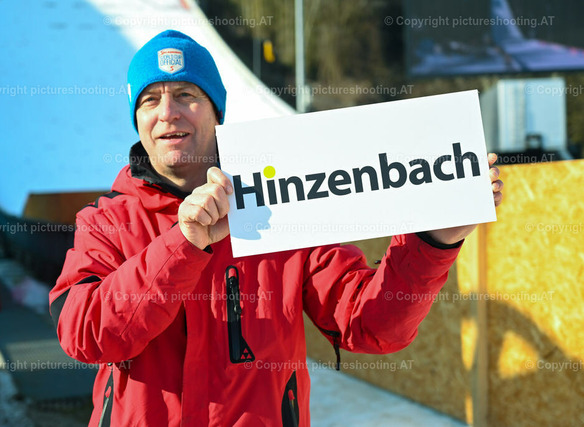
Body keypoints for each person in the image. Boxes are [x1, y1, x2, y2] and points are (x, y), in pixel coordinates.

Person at [49, 30, 504, 427]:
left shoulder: (281, 202)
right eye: (151, 99)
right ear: (137, 118)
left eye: (187, 94)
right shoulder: (106, 220)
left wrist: (434, 242)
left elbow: (370, 326)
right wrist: (182, 244)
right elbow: (85, 335)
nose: (168, 111)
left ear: (216, 112)